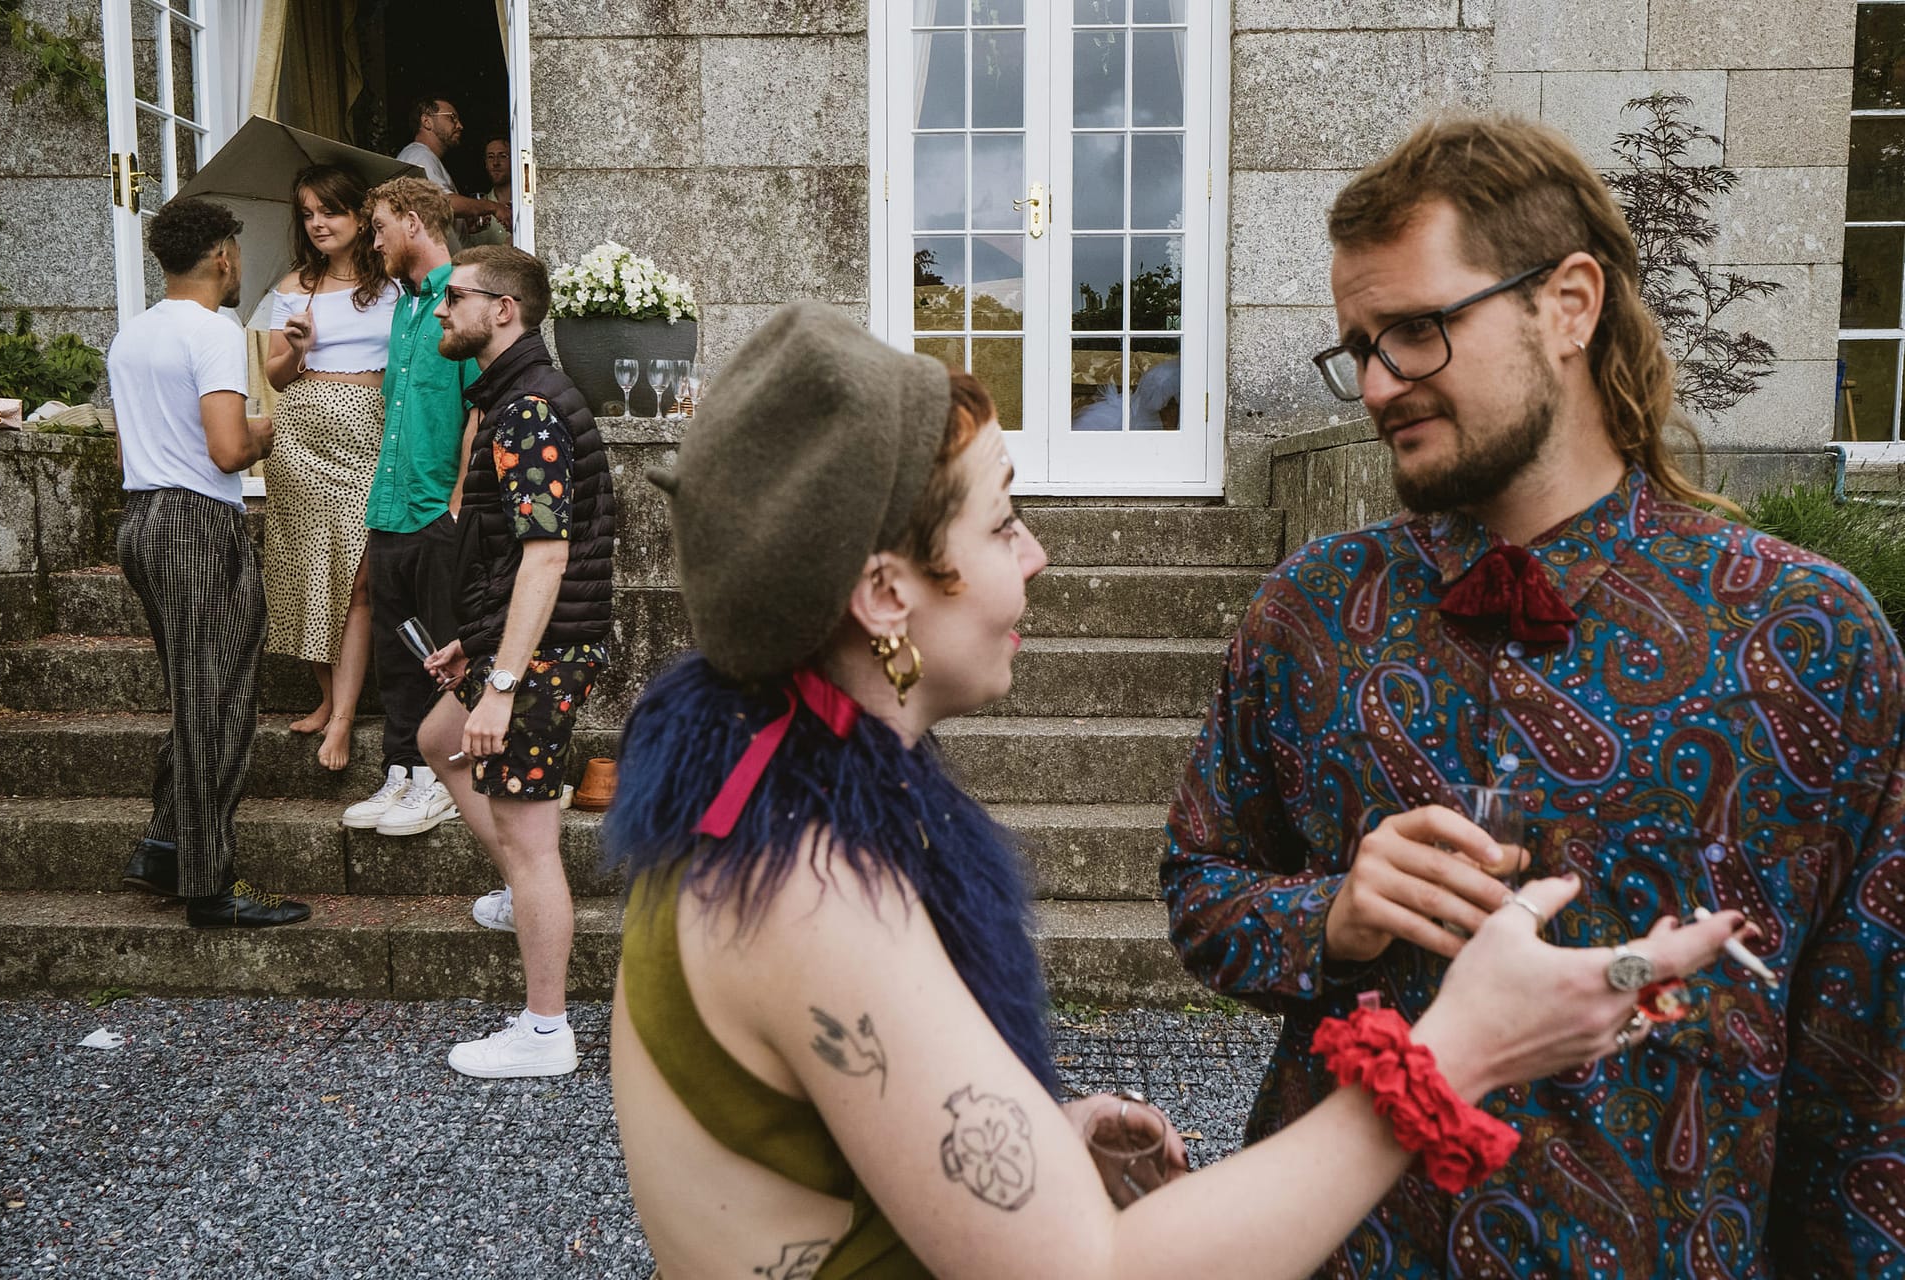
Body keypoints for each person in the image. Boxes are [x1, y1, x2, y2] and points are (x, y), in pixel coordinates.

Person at [597, 300, 1749, 1278]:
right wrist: (1457, 1051)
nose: (1036, 552)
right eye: (1002, 520)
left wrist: (1037, 1140)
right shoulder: (812, 885)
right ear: (888, 594)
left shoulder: (755, 812)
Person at [1163, 115, 1905, 1275]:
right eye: (1358, 345)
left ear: (1568, 303)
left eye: (1414, 330)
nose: (1374, 384)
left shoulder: (1808, 636)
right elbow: (1201, 887)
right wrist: (1336, 917)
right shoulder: (1309, 614)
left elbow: (1869, 1084)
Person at [418, 245, 614, 1076]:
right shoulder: (513, 397)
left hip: (546, 655)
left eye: (453, 297)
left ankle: (544, 1030)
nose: (439, 311)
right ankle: (527, 898)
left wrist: (501, 684)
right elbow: (516, 557)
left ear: (504, 310)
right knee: (437, 738)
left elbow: (546, 557)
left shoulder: (528, 407)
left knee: (531, 838)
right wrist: (481, 641)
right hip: (526, 639)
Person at [108, 196, 309, 928]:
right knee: (220, 703)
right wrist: (264, 431)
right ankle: (209, 882)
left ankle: (164, 846)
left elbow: (133, 450)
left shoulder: (132, 337)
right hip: (197, 523)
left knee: (197, 695)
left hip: (143, 522)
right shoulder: (216, 331)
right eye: (236, 251)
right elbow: (227, 450)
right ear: (223, 256)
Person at [340, 177, 476, 837]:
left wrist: (456, 503)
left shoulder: (465, 298)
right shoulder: (402, 308)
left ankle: (441, 778)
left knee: (439, 653)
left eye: (380, 227)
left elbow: (481, 408)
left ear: (415, 222)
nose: (374, 241)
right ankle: (401, 772)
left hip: (436, 512)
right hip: (390, 508)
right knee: (398, 655)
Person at [262, 164, 401, 771]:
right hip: (300, 440)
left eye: (330, 212)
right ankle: (327, 700)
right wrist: (297, 345)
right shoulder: (294, 284)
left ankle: (343, 720)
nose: (317, 223)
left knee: (358, 579)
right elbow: (274, 375)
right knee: (310, 572)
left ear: (358, 215)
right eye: (308, 213)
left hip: (369, 437)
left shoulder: (396, 284)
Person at [395, 96, 510, 237]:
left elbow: (430, 212)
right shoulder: (420, 156)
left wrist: (462, 227)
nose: (460, 125)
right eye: (452, 118)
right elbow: (443, 202)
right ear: (427, 121)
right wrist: (494, 207)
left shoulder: (421, 156)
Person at [462, 136, 513, 248]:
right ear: (485, 164)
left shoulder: (524, 207)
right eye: (490, 157)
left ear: (514, 160)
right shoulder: (478, 209)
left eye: (502, 156)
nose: (495, 163)